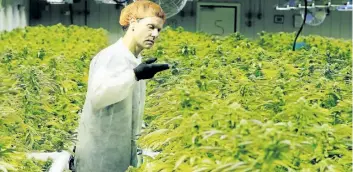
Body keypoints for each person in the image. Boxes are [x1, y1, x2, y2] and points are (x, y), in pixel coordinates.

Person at [73, 1, 169, 171]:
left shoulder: (134, 60)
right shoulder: (111, 57)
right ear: (133, 23)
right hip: (100, 155)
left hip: (119, 151)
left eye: (159, 30)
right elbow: (99, 96)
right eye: (150, 27)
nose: (155, 34)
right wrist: (135, 75)